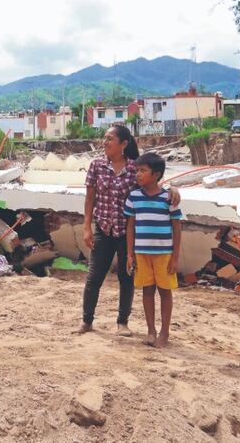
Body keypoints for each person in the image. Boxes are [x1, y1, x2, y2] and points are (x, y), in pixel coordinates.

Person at [77, 125, 179, 336]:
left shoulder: (135, 168)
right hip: (103, 229)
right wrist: (87, 227)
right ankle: (87, 321)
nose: (105, 142)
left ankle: (122, 322)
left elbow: (153, 183)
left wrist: (174, 189)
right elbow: (90, 198)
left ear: (123, 144)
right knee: (94, 277)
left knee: (126, 278)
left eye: (110, 139)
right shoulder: (96, 166)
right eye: (104, 138)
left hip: (127, 233)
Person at [124, 152, 182, 348]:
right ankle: (151, 331)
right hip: (142, 254)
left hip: (164, 255)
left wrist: (175, 257)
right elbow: (130, 226)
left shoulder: (168, 198)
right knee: (147, 291)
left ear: (156, 174)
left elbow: (177, 227)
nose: (138, 175)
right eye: (136, 171)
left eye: (143, 171)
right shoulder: (133, 197)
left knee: (165, 292)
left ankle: (164, 332)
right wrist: (130, 254)